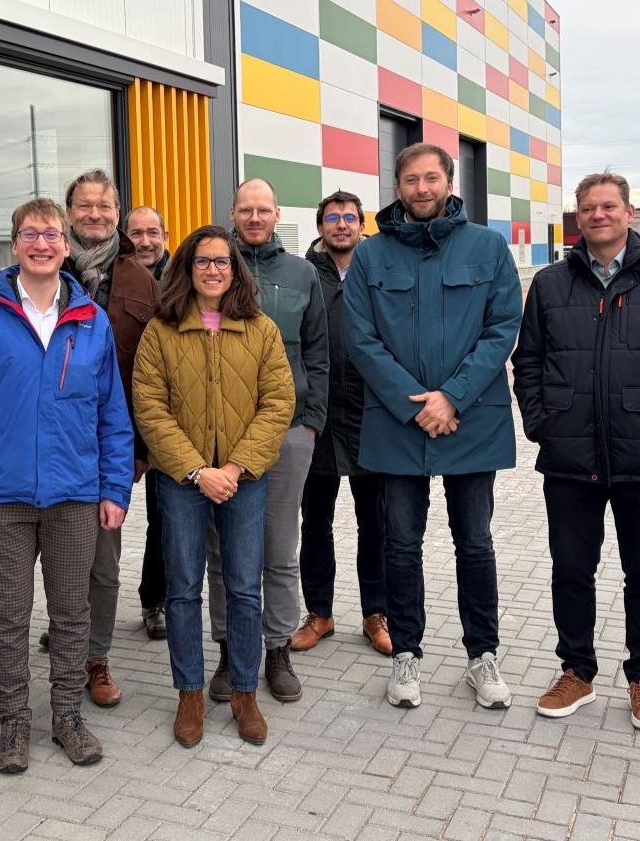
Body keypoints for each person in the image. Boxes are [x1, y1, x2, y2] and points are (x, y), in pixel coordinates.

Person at [512, 173, 640, 731]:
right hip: (569, 457)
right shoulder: (553, 283)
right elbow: (527, 361)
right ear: (576, 218)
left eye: (609, 206)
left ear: (630, 214)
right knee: (571, 570)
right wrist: (542, 424)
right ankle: (576, 669)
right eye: (587, 208)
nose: (597, 215)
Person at [0, 197, 134, 774]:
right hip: (1, 499)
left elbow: (112, 417)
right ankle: (15, 721)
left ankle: (68, 716)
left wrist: (114, 490)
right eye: (30, 234)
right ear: (14, 243)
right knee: (7, 615)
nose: (42, 244)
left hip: (74, 497)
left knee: (72, 613)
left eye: (51, 234)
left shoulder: (91, 321)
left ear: (65, 245)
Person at [345, 143, 522, 711]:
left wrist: (452, 397)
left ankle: (482, 656)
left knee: (475, 544)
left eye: (431, 178)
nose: (421, 189)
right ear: (397, 186)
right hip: (399, 424)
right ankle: (407, 654)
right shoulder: (372, 257)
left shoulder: (488, 248)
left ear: (449, 181)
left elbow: (502, 328)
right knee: (401, 545)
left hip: (469, 421)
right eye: (410, 180)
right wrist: (415, 402)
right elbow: (361, 338)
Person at [131, 225, 295, 747]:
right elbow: (150, 408)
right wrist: (198, 471)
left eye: (222, 261)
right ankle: (189, 694)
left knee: (245, 587)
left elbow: (277, 404)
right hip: (182, 480)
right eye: (202, 261)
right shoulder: (161, 330)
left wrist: (236, 467)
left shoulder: (261, 329)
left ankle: (245, 691)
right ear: (187, 267)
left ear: (235, 268)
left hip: (243, 480)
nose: (213, 270)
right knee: (182, 590)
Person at [206, 178, 327, 706]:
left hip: (287, 430)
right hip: (220, 436)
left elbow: (320, 351)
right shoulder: (210, 269)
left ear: (277, 213)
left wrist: (311, 421)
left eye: (263, 209)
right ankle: (231, 649)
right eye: (245, 209)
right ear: (232, 213)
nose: (254, 217)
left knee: (279, 548)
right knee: (221, 551)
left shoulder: (302, 273)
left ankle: (275, 647)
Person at [44, 169, 159, 708]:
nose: (94, 214)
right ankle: (43, 647)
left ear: (118, 214)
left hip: (108, 448)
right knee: (30, 556)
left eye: (104, 206)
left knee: (102, 563)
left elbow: (158, 374)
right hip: (41, 444)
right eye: (84, 205)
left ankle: (95, 657)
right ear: (69, 213)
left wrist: (140, 449)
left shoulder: (143, 280)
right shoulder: (43, 268)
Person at [293, 190, 391, 657]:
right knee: (316, 522)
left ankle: (377, 613)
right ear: (320, 227)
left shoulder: (380, 270)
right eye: (332, 218)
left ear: (361, 225)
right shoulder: (304, 274)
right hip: (318, 417)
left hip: (371, 416)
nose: (341, 225)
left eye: (349, 218)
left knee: (376, 524)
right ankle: (320, 613)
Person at [127, 204, 171, 639]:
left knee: (163, 519)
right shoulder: (116, 278)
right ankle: (81, 614)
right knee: (96, 525)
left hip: (166, 423)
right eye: (136, 233)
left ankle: (154, 601)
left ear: (165, 235)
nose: (144, 241)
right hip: (118, 417)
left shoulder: (182, 279)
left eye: (151, 232)